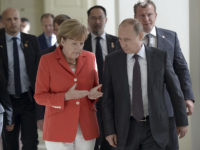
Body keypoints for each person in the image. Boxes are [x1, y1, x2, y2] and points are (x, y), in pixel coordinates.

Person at [102, 18, 188, 150]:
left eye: (127, 39)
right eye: (120, 39)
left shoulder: (160, 57)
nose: (122, 43)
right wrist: (109, 130)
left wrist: (182, 121)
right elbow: (107, 98)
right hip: (126, 127)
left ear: (140, 36)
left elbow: (175, 91)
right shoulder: (112, 60)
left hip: (154, 127)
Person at [133, 1, 194, 149]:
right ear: (135, 17)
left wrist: (188, 97)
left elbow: (181, 69)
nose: (146, 19)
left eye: (149, 14)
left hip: (168, 106)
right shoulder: (128, 40)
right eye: (142, 15)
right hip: (139, 110)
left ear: (156, 15)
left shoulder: (171, 37)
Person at [34, 19, 103, 150]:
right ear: (62, 41)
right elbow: (39, 96)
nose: (78, 48)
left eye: (81, 43)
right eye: (74, 44)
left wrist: (94, 95)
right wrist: (65, 96)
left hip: (86, 128)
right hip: (58, 128)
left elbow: (95, 89)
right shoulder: (47, 60)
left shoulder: (90, 58)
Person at [0, 8, 40, 150]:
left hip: (28, 99)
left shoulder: (31, 41)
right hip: (6, 101)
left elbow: (39, 73)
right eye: (9, 19)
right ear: (3, 22)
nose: (13, 22)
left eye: (16, 19)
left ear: (20, 20)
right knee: (9, 144)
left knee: (30, 142)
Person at [83, 5, 120, 150]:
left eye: (100, 18)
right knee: (91, 140)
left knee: (111, 140)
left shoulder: (117, 42)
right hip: (88, 98)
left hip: (113, 98)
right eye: (93, 18)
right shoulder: (82, 43)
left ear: (106, 20)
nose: (97, 21)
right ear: (88, 20)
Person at [36, 14, 71, 131]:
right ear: (54, 31)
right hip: (53, 112)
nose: (62, 34)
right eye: (58, 30)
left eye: (66, 29)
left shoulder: (84, 54)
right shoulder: (44, 56)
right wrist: (40, 116)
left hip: (78, 112)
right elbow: (40, 89)